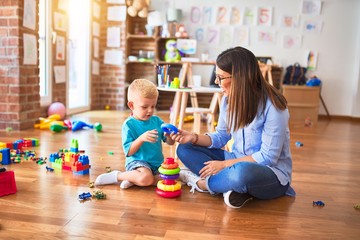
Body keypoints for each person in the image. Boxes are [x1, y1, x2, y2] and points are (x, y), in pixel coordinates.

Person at [171, 46, 296, 208]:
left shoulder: (274, 106)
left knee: (241, 173)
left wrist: (224, 165)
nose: (216, 82)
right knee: (184, 148)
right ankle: (231, 188)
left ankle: (204, 184)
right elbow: (221, 137)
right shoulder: (228, 101)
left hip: (270, 174)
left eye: (221, 77)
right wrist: (193, 137)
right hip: (235, 161)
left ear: (240, 78)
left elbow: (268, 157)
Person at [95, 79, 175, 189]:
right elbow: (129, 151)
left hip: (156, 164)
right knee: (147, 178)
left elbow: (170, 142)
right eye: (144, 107)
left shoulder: (157, 121)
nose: (150, 111)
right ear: (131, 105)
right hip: (138, 163)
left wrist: (170, 136)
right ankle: (119, 176)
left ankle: (134, 179)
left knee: (169, 179)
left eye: (153, 106)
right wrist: (141, 139)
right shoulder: (129, 125)